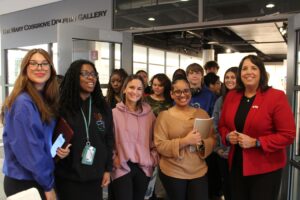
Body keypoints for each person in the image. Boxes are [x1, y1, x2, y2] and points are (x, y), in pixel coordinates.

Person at [219, 55, 296, 200]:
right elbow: (222, 126)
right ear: (240, 73)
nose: (248, 72)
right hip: (236, 166)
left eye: (254, 68)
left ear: (261, 72)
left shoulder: (276, 96)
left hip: (265, 170)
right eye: (244, 68)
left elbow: (288, 135)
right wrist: (228, 136)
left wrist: (257, 142)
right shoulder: (231, 96)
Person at [2, 48, 69, 200]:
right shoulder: (23, 103)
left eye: (44, 63)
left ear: (51, 69)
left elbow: (41, 140)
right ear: (25, 68)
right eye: (34, 63)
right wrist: (48, 185)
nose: (40, 68)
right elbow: (30, 151)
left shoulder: (43, 98)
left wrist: (56, 149)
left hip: (38, 177)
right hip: (26, 182)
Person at [55, 59, 114, 200]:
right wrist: (57, 150)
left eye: (94, 74)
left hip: (95, 176)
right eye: (85, 74)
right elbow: (53, 139)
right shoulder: (62, 107)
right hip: (69, 177)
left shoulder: (102, 106)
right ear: (75, 77)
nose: (91, 77)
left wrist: (108, 169)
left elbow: (109, 139)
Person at [154, 76, 216, 200]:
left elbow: (212, 139)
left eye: (186, 91)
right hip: (173, 171)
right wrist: (185, 141)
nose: (183, 95)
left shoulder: (202, 114)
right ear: (171, 94)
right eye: (178, 91)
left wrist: (201, 143)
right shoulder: (164, 116)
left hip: (198, 170)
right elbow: (160, 145)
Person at [111, 75, 158, 200]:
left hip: (144, 167)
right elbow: (107, 140)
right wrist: (113, 158)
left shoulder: (149, 114)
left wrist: (153, 159)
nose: (135, 92)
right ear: (124, 89)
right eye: (131, 87)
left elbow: (156, 139)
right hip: (121, 166)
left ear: (143, 92)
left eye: (139, 89)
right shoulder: (114, 114)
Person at [212, 67, 238, 200]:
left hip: (242, 154)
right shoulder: (220, 101)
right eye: (227, 77)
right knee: (227, 187)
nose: (229, 80)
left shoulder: (247, 99)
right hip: (223, 153)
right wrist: (217, 149)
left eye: (233, 77)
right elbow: (214, 126)